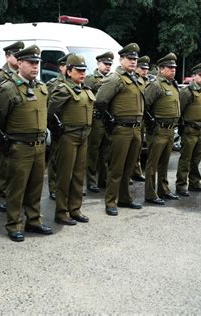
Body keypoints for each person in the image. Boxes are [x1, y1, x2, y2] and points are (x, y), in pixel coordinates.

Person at [0, 45, 52, 242]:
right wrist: (7, 144)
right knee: (16, 188)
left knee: (35, 187)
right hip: (19, 146)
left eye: (37, 64)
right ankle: (14, 224)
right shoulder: (8, 88)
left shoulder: (41, 88)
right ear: (19, 63)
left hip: (39, 146)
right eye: (31, 63)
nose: (35, 67)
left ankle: (33, 220)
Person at [94, 43, 145, 216]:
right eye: (130, 59)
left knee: (129, 167)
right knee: (116, 168)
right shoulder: (115, 78)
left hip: (136, 129)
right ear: (121, 59)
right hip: (121, 129)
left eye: (135, 59)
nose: (133, 62)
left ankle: (124, 198)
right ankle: (110, 201)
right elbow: (100, 101)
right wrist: (109, 119)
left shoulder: (134, 78)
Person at [48, 54, 93, 225]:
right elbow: (50, 112)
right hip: (68, 136)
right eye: (78, 71)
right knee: (64, 176)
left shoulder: (85, 89)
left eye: (83, 71)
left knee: (78, 175)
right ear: (68, 71)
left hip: (83, 136)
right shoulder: (62, 89)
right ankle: (61, 212)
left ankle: (75, 209)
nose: (82, 74)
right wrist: (56, 130)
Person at [0, 40, 24, 211]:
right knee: (4, 164)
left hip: (19, 126)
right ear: (7, 56)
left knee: (17, 165)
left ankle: (14, 194)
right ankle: (1, 195)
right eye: (16, 56)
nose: (19, 59)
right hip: (4, 127)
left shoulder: (22, 75)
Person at [144, 53, 181, 205]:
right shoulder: (156, 85)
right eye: (170, 68)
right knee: (153, 164)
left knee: (164, 163)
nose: (173, 70)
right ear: (161, 69)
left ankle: (163, 189)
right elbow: (144, 106)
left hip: (170, 130)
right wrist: (150, 124)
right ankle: (150, 194)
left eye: (174, 68)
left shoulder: (172, 84)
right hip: (158, 129)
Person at [175, 62, 201, 196]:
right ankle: (181, 185)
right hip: (189, 129)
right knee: (186, 159)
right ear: (194, 76)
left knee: (196, 158)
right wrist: (181, 128)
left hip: (200, 129)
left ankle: (194, 182)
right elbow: (180, 111)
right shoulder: (187, 91)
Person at [85, 51, 114, 193]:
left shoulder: (113, 79)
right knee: (93, 151)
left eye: (110, 64)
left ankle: (103, 179)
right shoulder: (90, 79)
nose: (108, 67)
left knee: (106, 151)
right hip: (96, 119)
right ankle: (91, 180)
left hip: (108, 119)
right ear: (98, 64)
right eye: (105, 64)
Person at [46, 53, 70, 201]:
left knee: (68, 161)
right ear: (61, 67)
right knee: (55, 159)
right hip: (58, 127)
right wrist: (52, 125)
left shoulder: (74, 82)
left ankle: (66, 187)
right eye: (67, 65)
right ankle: (53, 187)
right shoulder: (53, 84)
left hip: (71, 128)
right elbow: (48, 107)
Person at [130, 55, 151, 183]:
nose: (145, 71)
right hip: (134, 118)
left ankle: (136, 171)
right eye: (142, 68)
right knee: (132, 149)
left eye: (146, 69)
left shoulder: (147, 81)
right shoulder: (134, 80)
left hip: (144, 118)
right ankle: (130, 172)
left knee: (138, 146)